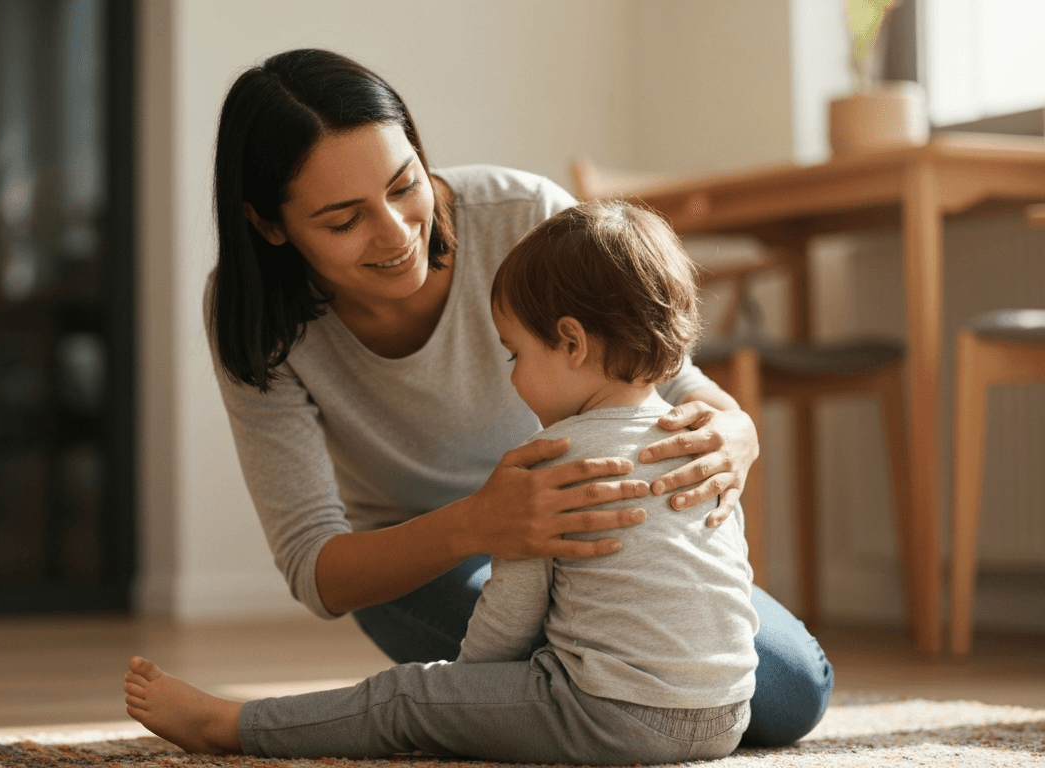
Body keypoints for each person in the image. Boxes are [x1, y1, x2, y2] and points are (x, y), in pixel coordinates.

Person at [201, 48, 831, 746]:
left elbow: (672, 378)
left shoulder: (523, 215)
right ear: (269, 225)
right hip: (425, 558)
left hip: (586, 526)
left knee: (792, 690)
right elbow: (315, 569)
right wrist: (479, 525)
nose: (396, 232)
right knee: (575, 683)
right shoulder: (256, 320)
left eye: (404, 184)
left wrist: (736, 426)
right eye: (344, 221)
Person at [124, 201, 759, 763]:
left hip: (607, 714)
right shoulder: (700, 442)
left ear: (570, 343)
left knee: (406, 700)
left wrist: (465, 695)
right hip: (729, 712)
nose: (512, 378)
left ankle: (230, 725)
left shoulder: (549, 460)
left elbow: (509, 623)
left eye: (516, 355)